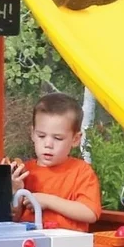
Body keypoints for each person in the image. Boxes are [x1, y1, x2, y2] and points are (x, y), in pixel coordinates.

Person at [13, 91, 103, 232]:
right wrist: (15, 191)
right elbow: (12, 218)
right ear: (32, 134)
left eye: (58, 138)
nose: (48, 144)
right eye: (41, 136)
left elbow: (90, 213)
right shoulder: (24, 171)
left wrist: (47, 201)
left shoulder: (81, 171)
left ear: (75, 139)